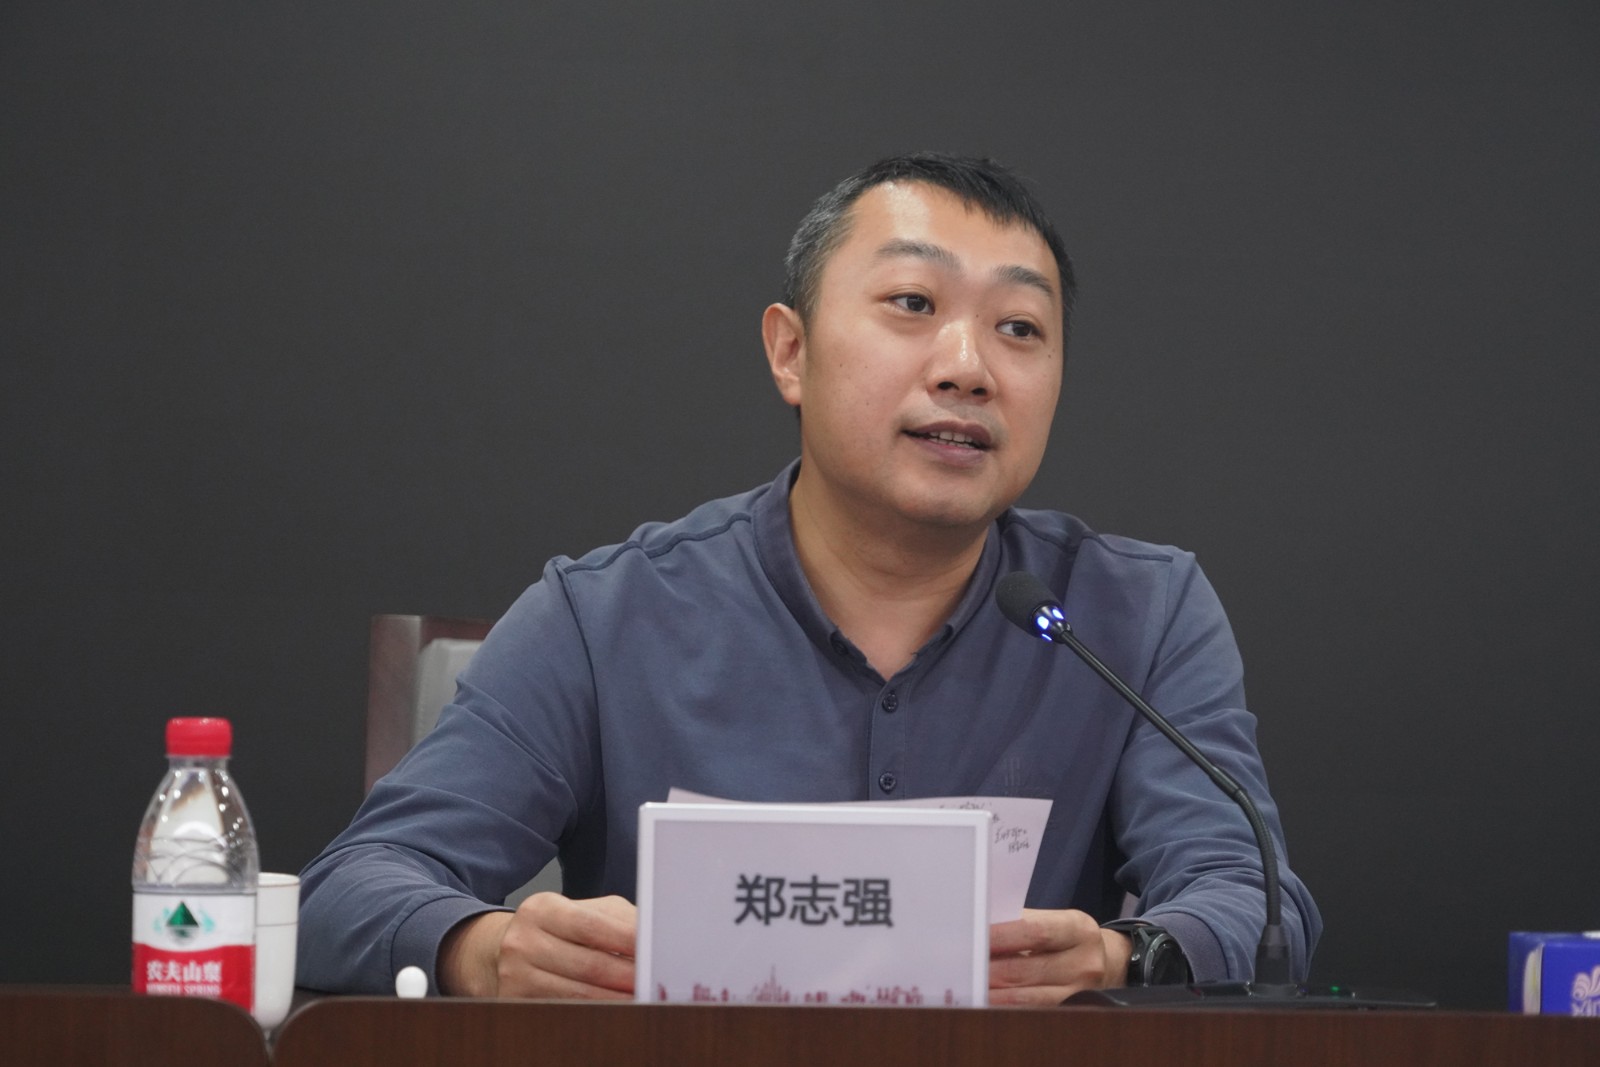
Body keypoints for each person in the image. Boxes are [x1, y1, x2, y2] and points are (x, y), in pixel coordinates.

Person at [298, 153, 1321, 1004]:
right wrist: (485, 949)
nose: (968, 366)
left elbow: (1253, 900)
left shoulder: (1136, 614)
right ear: (790, 352)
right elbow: (349, 889)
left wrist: (1120, 955)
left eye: (1019, 327)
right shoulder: (607, 618)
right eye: (913, 303)